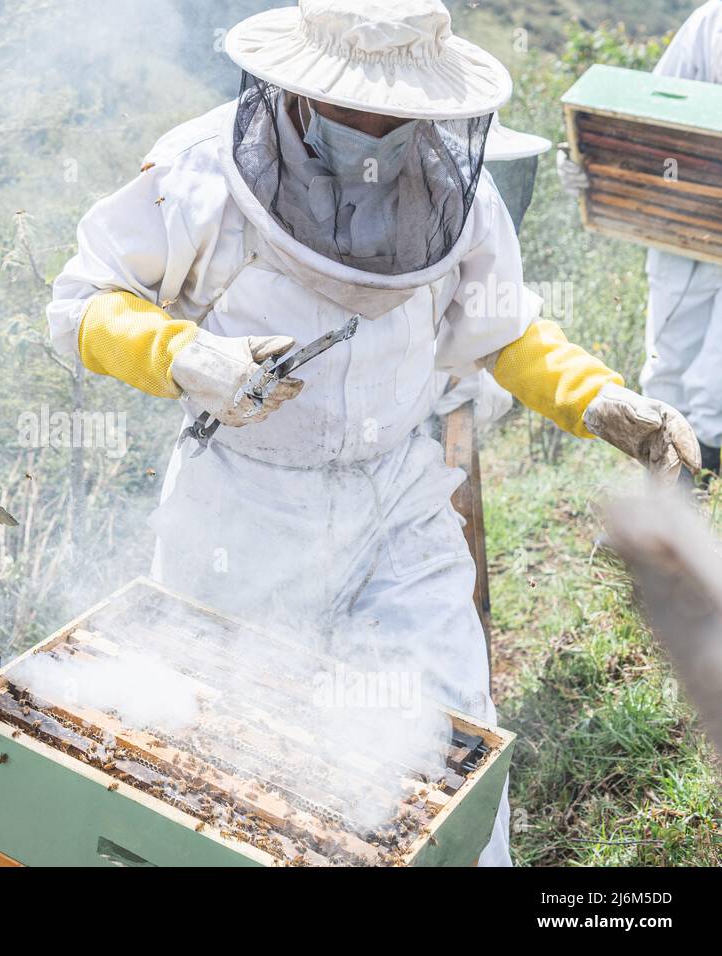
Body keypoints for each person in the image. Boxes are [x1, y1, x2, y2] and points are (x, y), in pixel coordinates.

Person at [48, 0, 699, 866]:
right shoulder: (202, 171)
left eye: (400, 106)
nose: (381, 127)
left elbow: (501, 330)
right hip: (240, 506)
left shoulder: (451, 184)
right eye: (357, 101)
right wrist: (186, 355)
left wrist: (602, 401)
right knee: (230, 751)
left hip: (399, 503)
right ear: (300, 86)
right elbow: (79, 305)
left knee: (448, 732)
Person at [558, 0, 722, 481]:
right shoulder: (710, 23)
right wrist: (589, 158)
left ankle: (702, 506)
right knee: (667, 371)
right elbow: (650, 109)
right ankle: (673, 508)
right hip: (684, 224)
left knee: (717, 382)